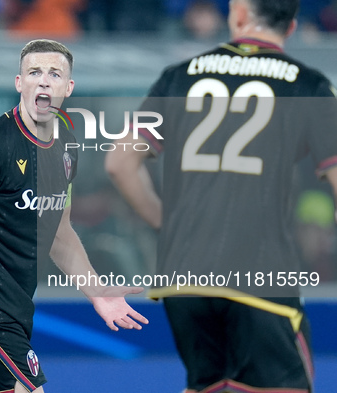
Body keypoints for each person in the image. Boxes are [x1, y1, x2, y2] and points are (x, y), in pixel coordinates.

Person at [105, 0, 337, 392]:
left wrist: (167, 222)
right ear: (292, 27)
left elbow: (119, 163)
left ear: (240, 14)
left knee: (208, 385)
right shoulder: (308, 85)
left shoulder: (180, 76)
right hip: (259, 276)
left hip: (184, 277)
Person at [0, 39, 148, 393]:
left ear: (68, 87)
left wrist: (97, 290)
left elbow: (59, 234)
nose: (44, 81)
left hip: (11, 306)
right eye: (34, 72)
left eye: (54, 74)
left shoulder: (65, 150)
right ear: (20, 83)